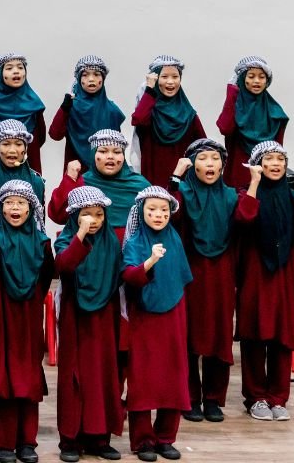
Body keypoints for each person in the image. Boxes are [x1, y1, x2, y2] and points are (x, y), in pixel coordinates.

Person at [168, 139, 258, 423]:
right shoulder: (183, 192)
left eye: (215, 158)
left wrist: (254, 183)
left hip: (221, 275)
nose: (210, 164)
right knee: (190, 337)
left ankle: (213, 399)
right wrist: (176, 176)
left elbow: (247, 217)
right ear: (192, 163)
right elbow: (169, 212)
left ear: (223, 165)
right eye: (203, 158)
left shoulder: (231, 195)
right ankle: (190, 398)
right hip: (189, 274)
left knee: (219, 337)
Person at [235, 141, 294, 422]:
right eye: (269, 159)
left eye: (280, 159)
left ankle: (278, 397)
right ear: (258, 164)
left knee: (283, 336)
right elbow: (245, 217)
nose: (276, 164)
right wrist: (254, 183)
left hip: (284, 276)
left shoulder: (291, 194)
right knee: (254, 334)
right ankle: (256, 397)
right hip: (255, 274)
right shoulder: (245, 193)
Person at [0, 181, 54, 463]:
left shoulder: (42, 242)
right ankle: (4, 443)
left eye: (21, 203)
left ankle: (27, 442)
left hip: (29, 319)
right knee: (3, 376)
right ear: (1, 208)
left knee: (29, 376)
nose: (15, 208)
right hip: (2, 317)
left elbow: (47, 276)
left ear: (31, 208)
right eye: (9, 203)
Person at [121, 186, 193, 462]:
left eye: (164, 210)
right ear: (141, 212)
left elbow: (182, 278)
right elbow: (129, 275)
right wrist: (150, 261)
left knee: (173, 376)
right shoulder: (134, 242)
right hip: (144, 317)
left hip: (174, 315)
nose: (158, 215)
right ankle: (143, 440)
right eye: (152, 210)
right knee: (143, 379)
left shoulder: (175, 239)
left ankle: (165, 438)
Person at [53, 186, 124, 462]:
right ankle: (70, 440)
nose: (93, 220)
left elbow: (120, 275)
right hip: (75, 316)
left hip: (105, 316)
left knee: (103, 375)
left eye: (98, 214)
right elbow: (64, 265)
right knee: (74, 377)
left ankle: (99, 438)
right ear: (74, 216)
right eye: (86, 214)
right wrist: (80, 235)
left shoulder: (111, 242)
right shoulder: (66, 239)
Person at [130, 56, 205, 189]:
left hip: (183, 185)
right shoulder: (149, 110)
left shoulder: (188, 114)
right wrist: (149, 89)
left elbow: (203, 146)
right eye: (164, 77)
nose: (170, 82)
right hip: (153, 184)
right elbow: (138, 120)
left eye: (175, 77)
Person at [215, 57, 289, 189]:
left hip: (266, 181)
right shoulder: (234, 107)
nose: (257, 81)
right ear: (242, 78)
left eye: (262, 77)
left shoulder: (275, 113)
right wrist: (231, 93)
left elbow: (278, 153)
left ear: (267, 81)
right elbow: (225, 128)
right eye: (251, 76)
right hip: (236, 178)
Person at [47, 56, 125, 176]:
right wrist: (64, 108)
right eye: (85, 75)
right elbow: (55, 135)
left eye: (97, 74)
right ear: (79, 79)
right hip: (76, 173)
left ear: (103, 78)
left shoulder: (112, 111)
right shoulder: (71, 107)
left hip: (105, 173)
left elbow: (117, 146)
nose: (91, 79)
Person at [0, 55, 47, 173]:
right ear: (0, 74)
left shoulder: (34, 103)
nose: (16, 71)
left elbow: (40, 138)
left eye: (20, 67)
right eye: (9, 68)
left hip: (29, 164)